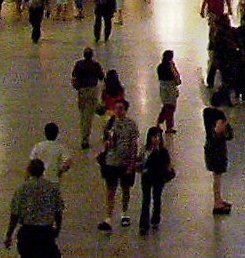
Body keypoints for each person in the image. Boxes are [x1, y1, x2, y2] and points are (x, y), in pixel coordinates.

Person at [4, 157, 64, 258]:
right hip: (46, 232)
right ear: (43, 171)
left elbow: (15, 214)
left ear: (29, 170)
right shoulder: (52, 188)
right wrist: (57, 228)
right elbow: (58, 211)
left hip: (28, 233)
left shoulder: (22, 188)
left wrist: (9, 235)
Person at [97, 97, 140, 231]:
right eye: (117, 108)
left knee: (125, 189)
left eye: (121, 108)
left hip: (125, 162)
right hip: (111, 161)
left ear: (126, 110)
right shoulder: (109, 124)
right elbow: (104, 141)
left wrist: (132, 163)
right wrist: (107, 143)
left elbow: (134, 144)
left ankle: (124, 213)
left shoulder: (131, 125)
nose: (118, 111)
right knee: (110, 190)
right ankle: (108, 217)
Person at [137, 126, 172, 234]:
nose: (156, 139)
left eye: (158, 137)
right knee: (146, 199)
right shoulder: (145, 150)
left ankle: (155, 218)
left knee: (157, 198)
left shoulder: (163, 151)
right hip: (147, 177)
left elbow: (168, 164)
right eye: (154, 137)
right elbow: (139, 161)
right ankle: (144, 223)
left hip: (159, 177)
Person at [70, 47, 104, 149]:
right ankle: (85, 138)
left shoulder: (79, 65)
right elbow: (102, 77)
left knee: (83, 114)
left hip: (82, 91)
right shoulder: (95, 65)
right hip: (92, 90)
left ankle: (84, 136)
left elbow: (74, 77)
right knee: (88, 116)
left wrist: (78, 87)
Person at [203, 106, 234, 215]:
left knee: (217, 177)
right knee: (217, 177)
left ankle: (218, 199)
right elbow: (220, 132)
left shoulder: (207, 113)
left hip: (211, 148)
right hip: (217, 151)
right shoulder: (219, 117)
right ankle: (217, 202)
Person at [155, 49, 181, 134]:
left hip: (163, 88)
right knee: (170, 108)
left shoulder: (159, 67)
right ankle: (169, 126)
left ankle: (159, 122)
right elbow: (176, 78)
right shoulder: (170, 67)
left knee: (166, 107)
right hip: (170, 88)